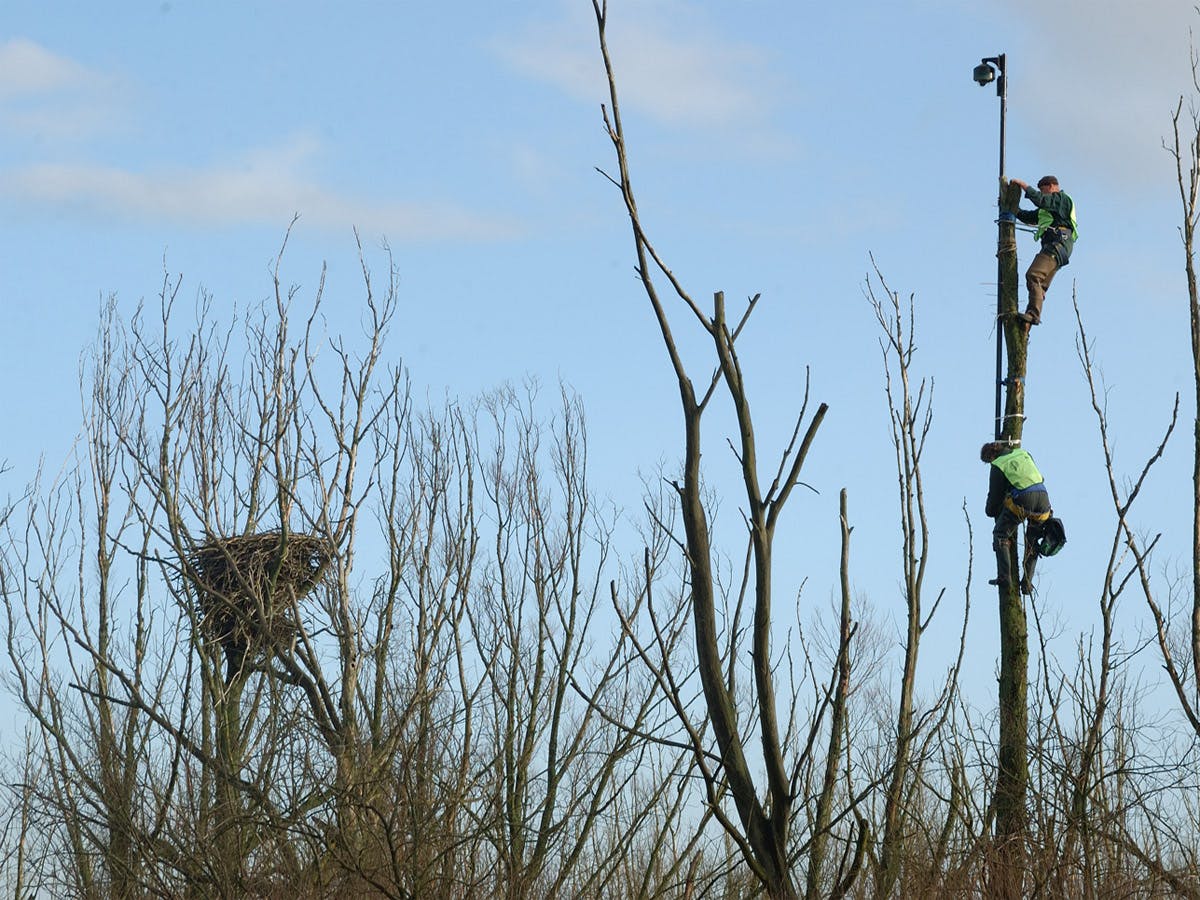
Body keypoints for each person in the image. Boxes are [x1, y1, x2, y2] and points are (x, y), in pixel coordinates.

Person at [981, 441, 1052, 594]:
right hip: (1044, 500)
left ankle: (1005, 577)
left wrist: (991, 510)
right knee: (1032, 542)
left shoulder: (998, 465)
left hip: (1024, 499)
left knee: (1000, 534)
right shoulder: (1023, 453)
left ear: (991, 456)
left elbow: (994, 502)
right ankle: (1027, 584)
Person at [1009, 175, 1077, 328]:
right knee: (1039, 287)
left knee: (1033, 275)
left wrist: (1024, 186)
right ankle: (1026, 325)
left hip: (1058, 244)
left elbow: (1042, 200)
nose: (1043, 194)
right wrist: (1012, 208)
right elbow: (1028, 216)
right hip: (1057, 248)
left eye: (1044, 190)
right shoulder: (1047, 210)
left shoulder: (1061, 200)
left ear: (1053, 186)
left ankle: (1033, 315)